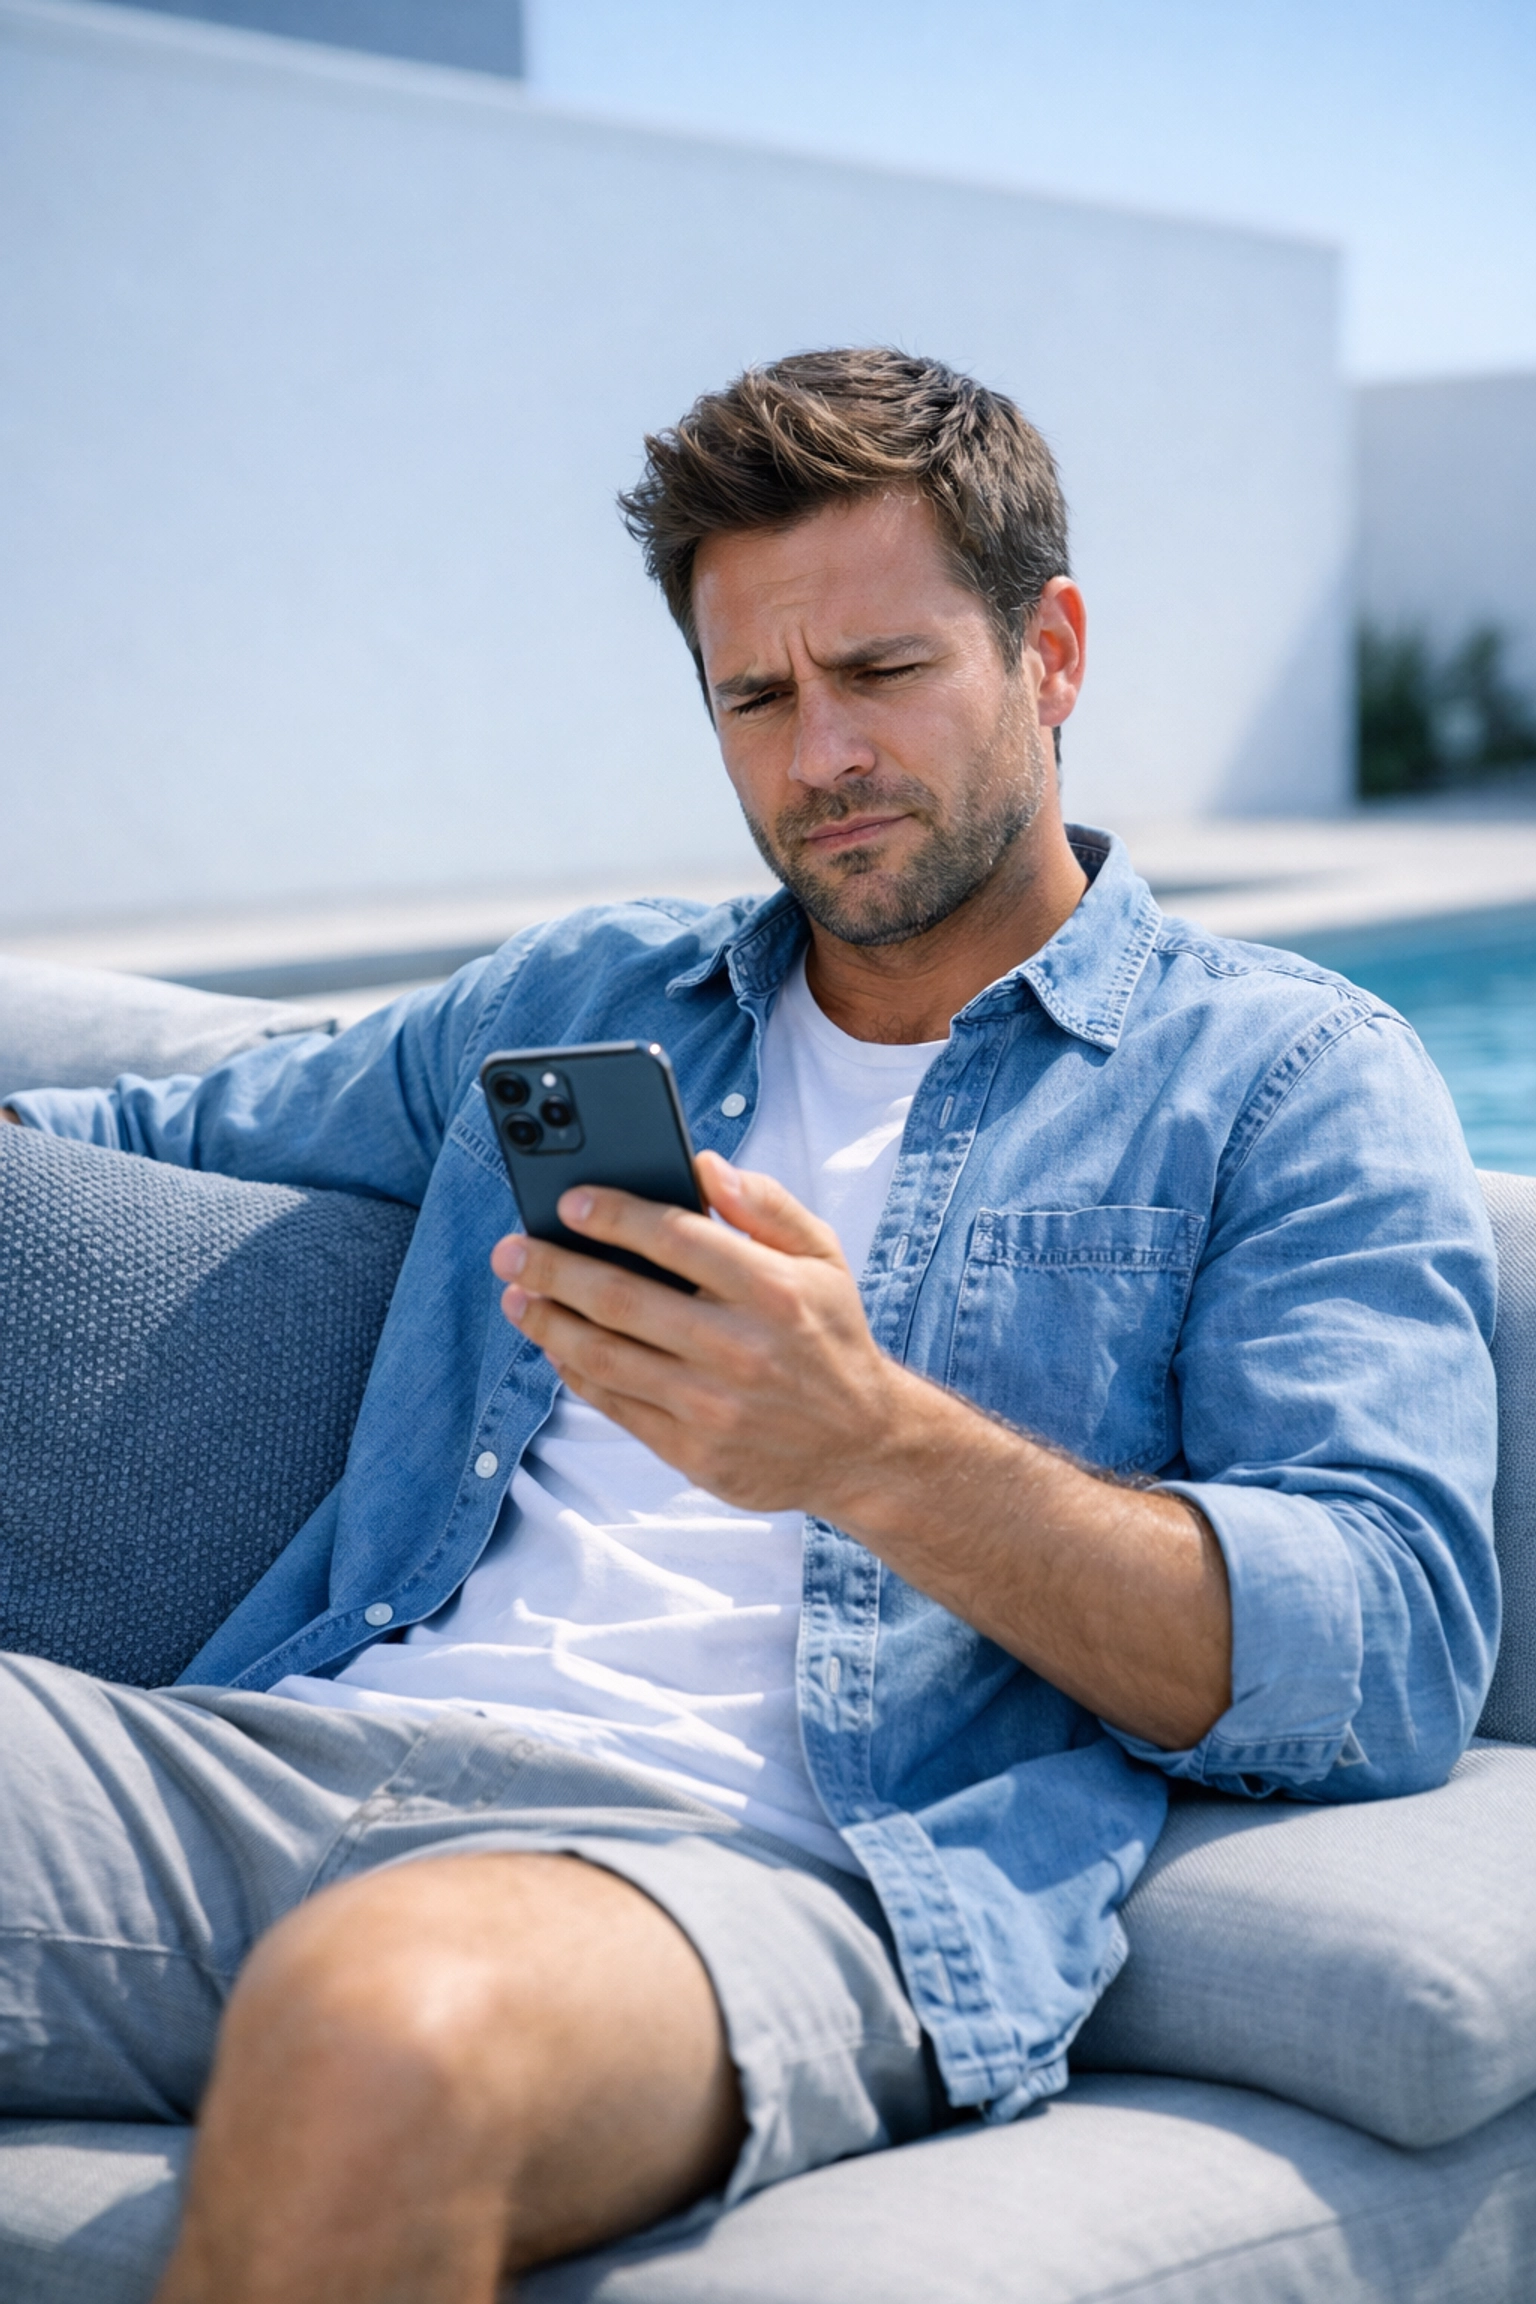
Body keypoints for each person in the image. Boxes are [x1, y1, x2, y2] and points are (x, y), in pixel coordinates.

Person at [0, 349, 1498, 2304]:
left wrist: (869, 1447)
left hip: (756, 1868)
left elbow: (1387, 1647)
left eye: (881, 675)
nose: (819, 759)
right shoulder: (588, 996)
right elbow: (159, 1129)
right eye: (757, 697)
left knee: (390, 2030)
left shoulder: (1287, 1075)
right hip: (273, 1750)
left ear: (1049, 652)